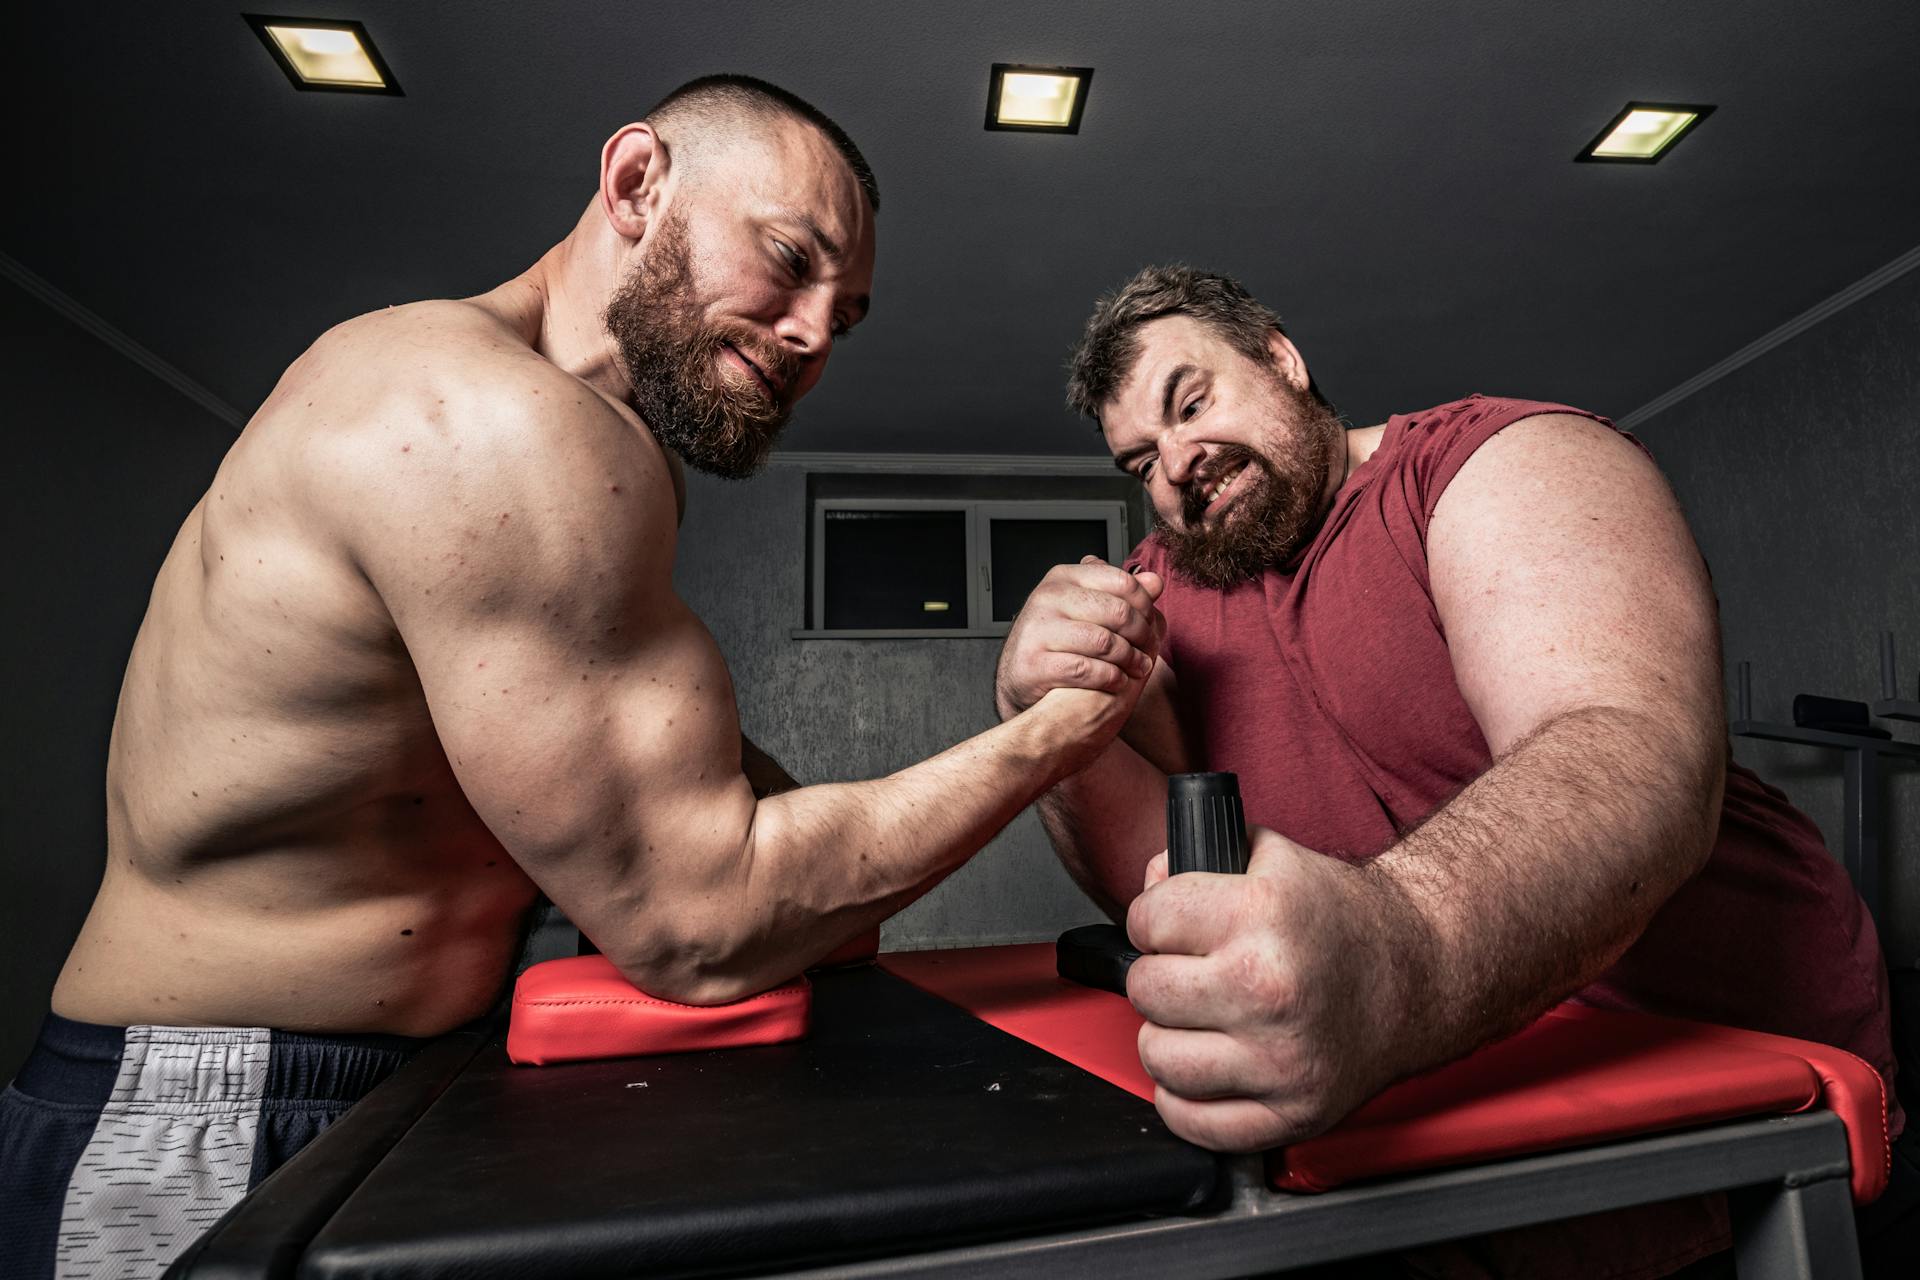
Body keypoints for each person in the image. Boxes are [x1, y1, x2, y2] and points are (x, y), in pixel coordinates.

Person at [0, 76, 1147, 1277]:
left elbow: (762, 867)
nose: (814, 334)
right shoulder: (481, 419)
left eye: (843, 314)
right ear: (638, 183)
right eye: (787, 258)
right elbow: (700, 922)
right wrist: (1049, 738)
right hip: (217, 1111)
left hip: (414, 1085)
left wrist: (813, 859)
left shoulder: (607, 448)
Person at [996, 264, 1911, 1276]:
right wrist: (1045, 719)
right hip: (1437, 1104)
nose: (1177, 463)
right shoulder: (1156, 599)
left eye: (1193, 401)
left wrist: (1395, 950)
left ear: (1280, 358)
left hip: (1732, 1071)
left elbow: (1623, 744)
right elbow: (1164, 887)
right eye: (1139, 459)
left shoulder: (1502, 459)